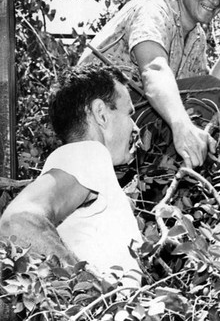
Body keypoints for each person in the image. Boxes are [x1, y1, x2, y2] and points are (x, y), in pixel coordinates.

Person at [79, 0, 220, 168]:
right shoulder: (155, 9)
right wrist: (182, 127)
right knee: (184, 120)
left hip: (125, 117)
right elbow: (153, 69)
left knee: (205, 97)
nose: (216, 1)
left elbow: (206, 97)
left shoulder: (197, 37)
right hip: (89, 115)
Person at [0, 64, 144, 286]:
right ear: (101, 114)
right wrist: (95, 298)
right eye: (129, 114)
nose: (135, 128)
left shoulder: (80, 167)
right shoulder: (90, 153)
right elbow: (17, 223)